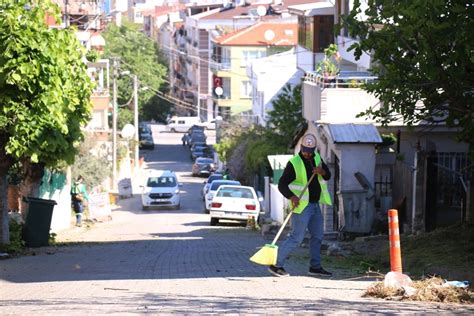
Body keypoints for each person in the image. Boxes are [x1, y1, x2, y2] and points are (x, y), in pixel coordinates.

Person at [268, 133, 332, 277]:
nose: (307, 154)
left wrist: (321, 171)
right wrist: (292, 196)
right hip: (302, 206)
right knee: (296, 237)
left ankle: (315, 267)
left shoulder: (317, 158)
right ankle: (276, 265)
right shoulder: (294, 163)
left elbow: (328, 175)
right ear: (301, 148)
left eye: (310, 152)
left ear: (314, 150)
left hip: (315, 205)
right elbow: (282, 184)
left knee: (318, 236)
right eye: (305, 151)